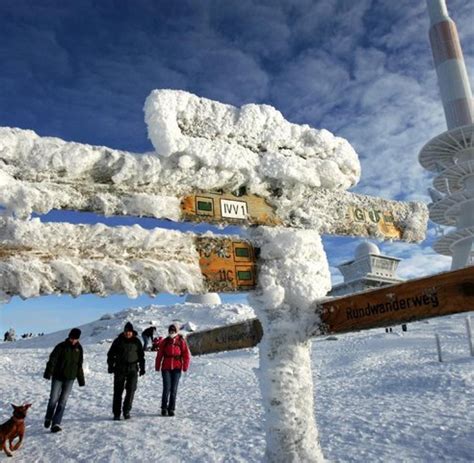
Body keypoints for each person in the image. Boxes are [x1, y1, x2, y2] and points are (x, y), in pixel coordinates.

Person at [43, 328, 85, 433]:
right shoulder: (61, 346)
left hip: (70, 378)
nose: (73, 340)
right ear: (69, 336)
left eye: (75, 339)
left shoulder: (79, 349)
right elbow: (52, 359)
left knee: (63, 401)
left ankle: (56, 423)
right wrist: (49, 372)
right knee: (53, 399)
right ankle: (48, 417)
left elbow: (79, 365)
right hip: (58, 377)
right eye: (72, 338)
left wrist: (81, 379)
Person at [107, 322, 145, 421]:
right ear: (124, 332)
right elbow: (110, 354)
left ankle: (126, 411)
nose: (128, 333)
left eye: (129, 331)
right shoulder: (118, 341)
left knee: (131, 390)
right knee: (118, 391)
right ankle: (116, 413)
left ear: (132, 332)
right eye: (126, 331)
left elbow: (141, 356)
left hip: (133, 368)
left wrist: (142, 367)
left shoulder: (137, 342)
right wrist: (110, 366)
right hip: (120, 368)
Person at [155, 324, 190, 417]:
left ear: (176, 331)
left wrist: (185, 366)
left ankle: (171, 408)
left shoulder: (181, 341)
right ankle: (163, 408)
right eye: (170, 331)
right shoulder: (165, 342)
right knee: (166, 388)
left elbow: (186, 354)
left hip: (177, 368)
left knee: (173, 389)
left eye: (173, 331)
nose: (172, 332)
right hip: (166, 367)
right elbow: (159, 355)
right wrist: (157, 366)